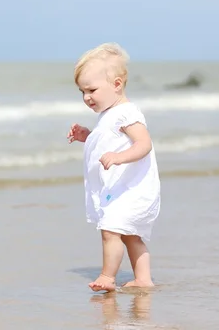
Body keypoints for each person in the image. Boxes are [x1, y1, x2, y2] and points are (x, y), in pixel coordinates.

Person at [67, 42, 161, 292]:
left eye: (92, 90)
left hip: (130, 188)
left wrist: (120, 158)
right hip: (119, 188)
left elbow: (144, 144)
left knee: (110, 231)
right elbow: (106, 141)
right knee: (130, 235)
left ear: (117, 85)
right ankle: (143, 278)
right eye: (82, 92)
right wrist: (87, 135)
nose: (87, 97)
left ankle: (107, 277)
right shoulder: (108, 115)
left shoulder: (126, 113)